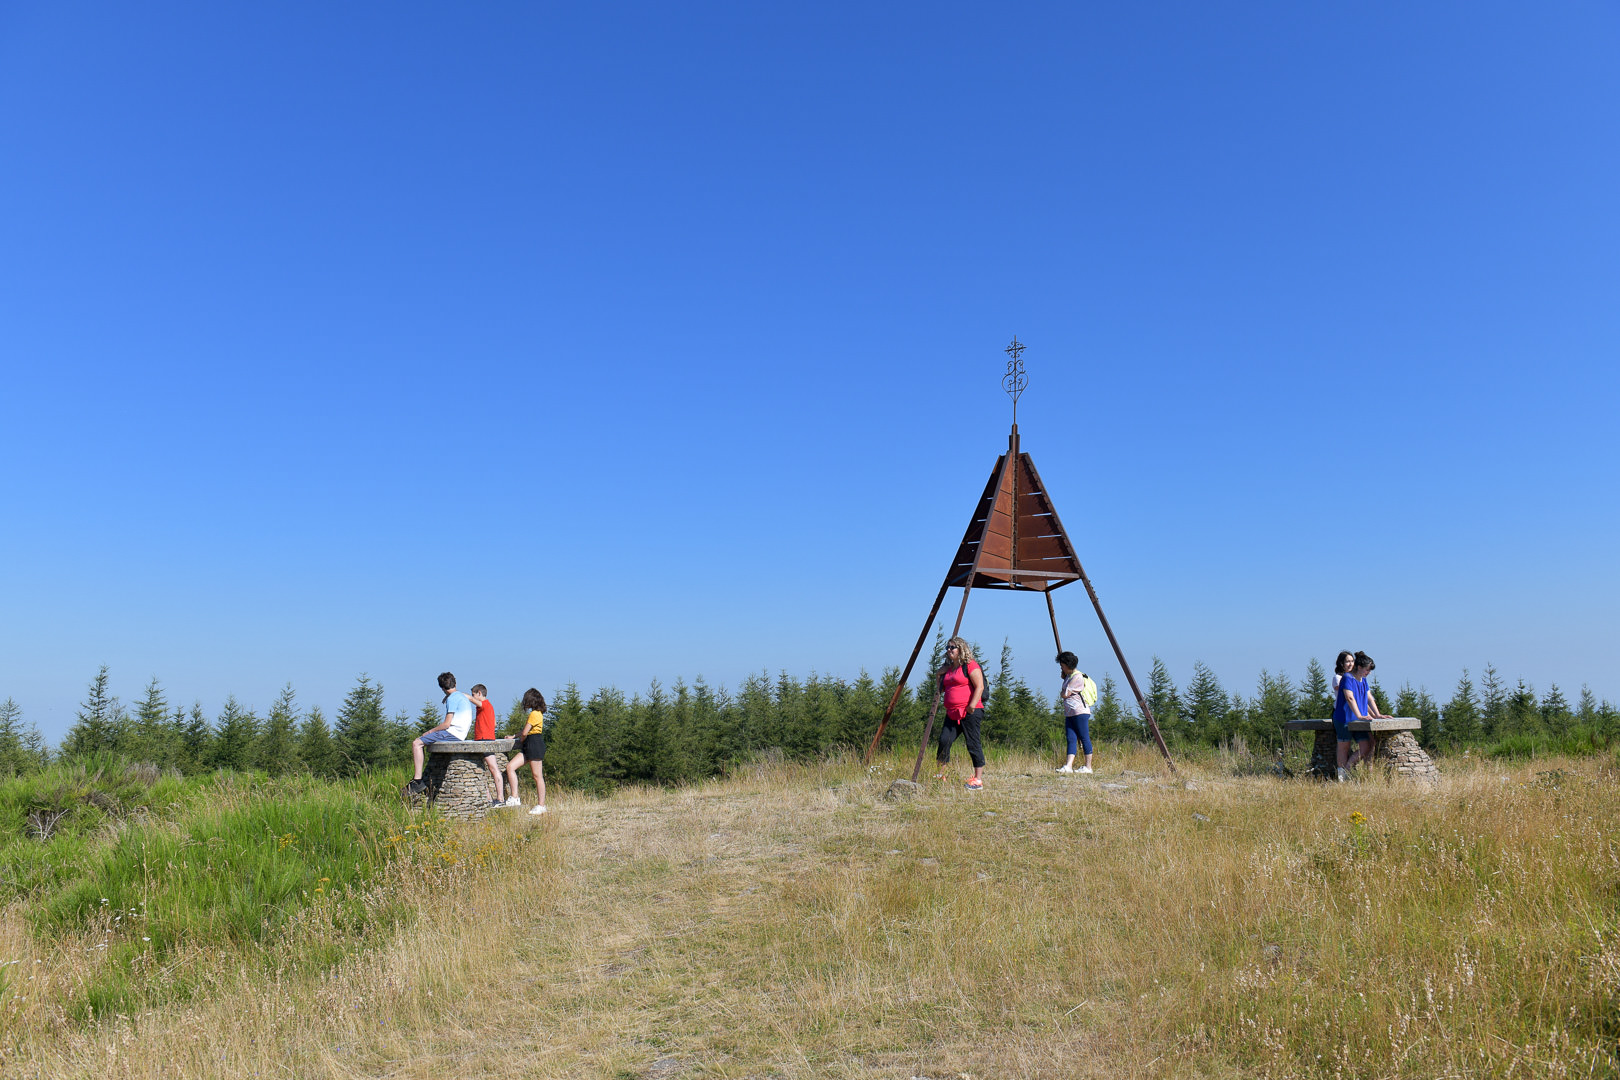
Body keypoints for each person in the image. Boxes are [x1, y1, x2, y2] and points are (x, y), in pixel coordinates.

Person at [405, 672, 474, 796]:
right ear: (455, 683)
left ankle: (417, 780)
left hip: (453, 733)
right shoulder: (461, 696)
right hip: (461, 734)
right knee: (422, 742)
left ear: (442, 688)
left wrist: (428, 732)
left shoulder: (452, 699)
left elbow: (446, 724)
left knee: (417, 743)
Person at [935, 637, 987, 789]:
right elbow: (941, 689)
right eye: (948, 647)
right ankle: (940, 775)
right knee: (944, 740)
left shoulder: (970, 665)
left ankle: (978, 779)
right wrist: (939, 675)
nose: (949, 650)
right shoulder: (949, 669)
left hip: (970, 712)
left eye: (953, 647)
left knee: (972, 742)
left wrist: (971, 706)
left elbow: (980, 687)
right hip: (952, 712)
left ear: (961, 649)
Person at [1332, 652, 1379, 782]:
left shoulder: (1363, 680)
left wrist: (1377, 714)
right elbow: (1349, 697)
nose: (1368, 672)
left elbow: (1369, 698)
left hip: (1359, 720)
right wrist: (1359, 715)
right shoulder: (1347, 678)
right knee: (1344, 747)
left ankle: (1347, 769)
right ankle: (1342, 777)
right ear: (1360, 667)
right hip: (1344, 718)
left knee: (1366, 746)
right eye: (1367, 670)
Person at [503, 687, 548, 815]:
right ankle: (515, 797)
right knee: (510, 767)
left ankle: (541, 805)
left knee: (537, 776)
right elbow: (525, 730)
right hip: (530, 744)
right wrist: (514, 736)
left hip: (534, 744)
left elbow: (525, 732)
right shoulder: (537, 713)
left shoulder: (534, 714)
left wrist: (521, 738)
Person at [467, 684, 506, 808]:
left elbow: (473, 701)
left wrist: (459, 695)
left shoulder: (485, 705)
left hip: (485, 740)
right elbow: (494, 723)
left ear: (479, 693)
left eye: (474, 694)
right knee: (487, 768)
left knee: (493, 767)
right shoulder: (488, 707)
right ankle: (490, 798)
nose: (473, 698)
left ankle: (500, 799)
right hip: (482, 739)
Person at [1055, 651, 1093, 774]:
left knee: (1084, 737)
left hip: (1080, 712)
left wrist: (1063, 692)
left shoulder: (1077, 677)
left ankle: (1088, 766)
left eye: (1062, 665)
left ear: (1067, 664)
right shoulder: (1069, 677)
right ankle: (1068, 765)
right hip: (1070, 713)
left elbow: (1065, 694)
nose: (1061, 667)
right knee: (1071, 738)